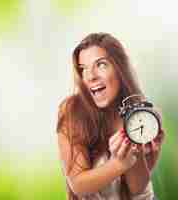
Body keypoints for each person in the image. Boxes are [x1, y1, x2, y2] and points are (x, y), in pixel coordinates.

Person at [56, 33, 164, 200]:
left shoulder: (143, 116)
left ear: (120, 68)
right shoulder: (72, 110)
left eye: (101, 65)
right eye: (83, 68)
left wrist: (136, 156)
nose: (91, 76)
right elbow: (78, 185)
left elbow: (137, 189)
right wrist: (118, 164)